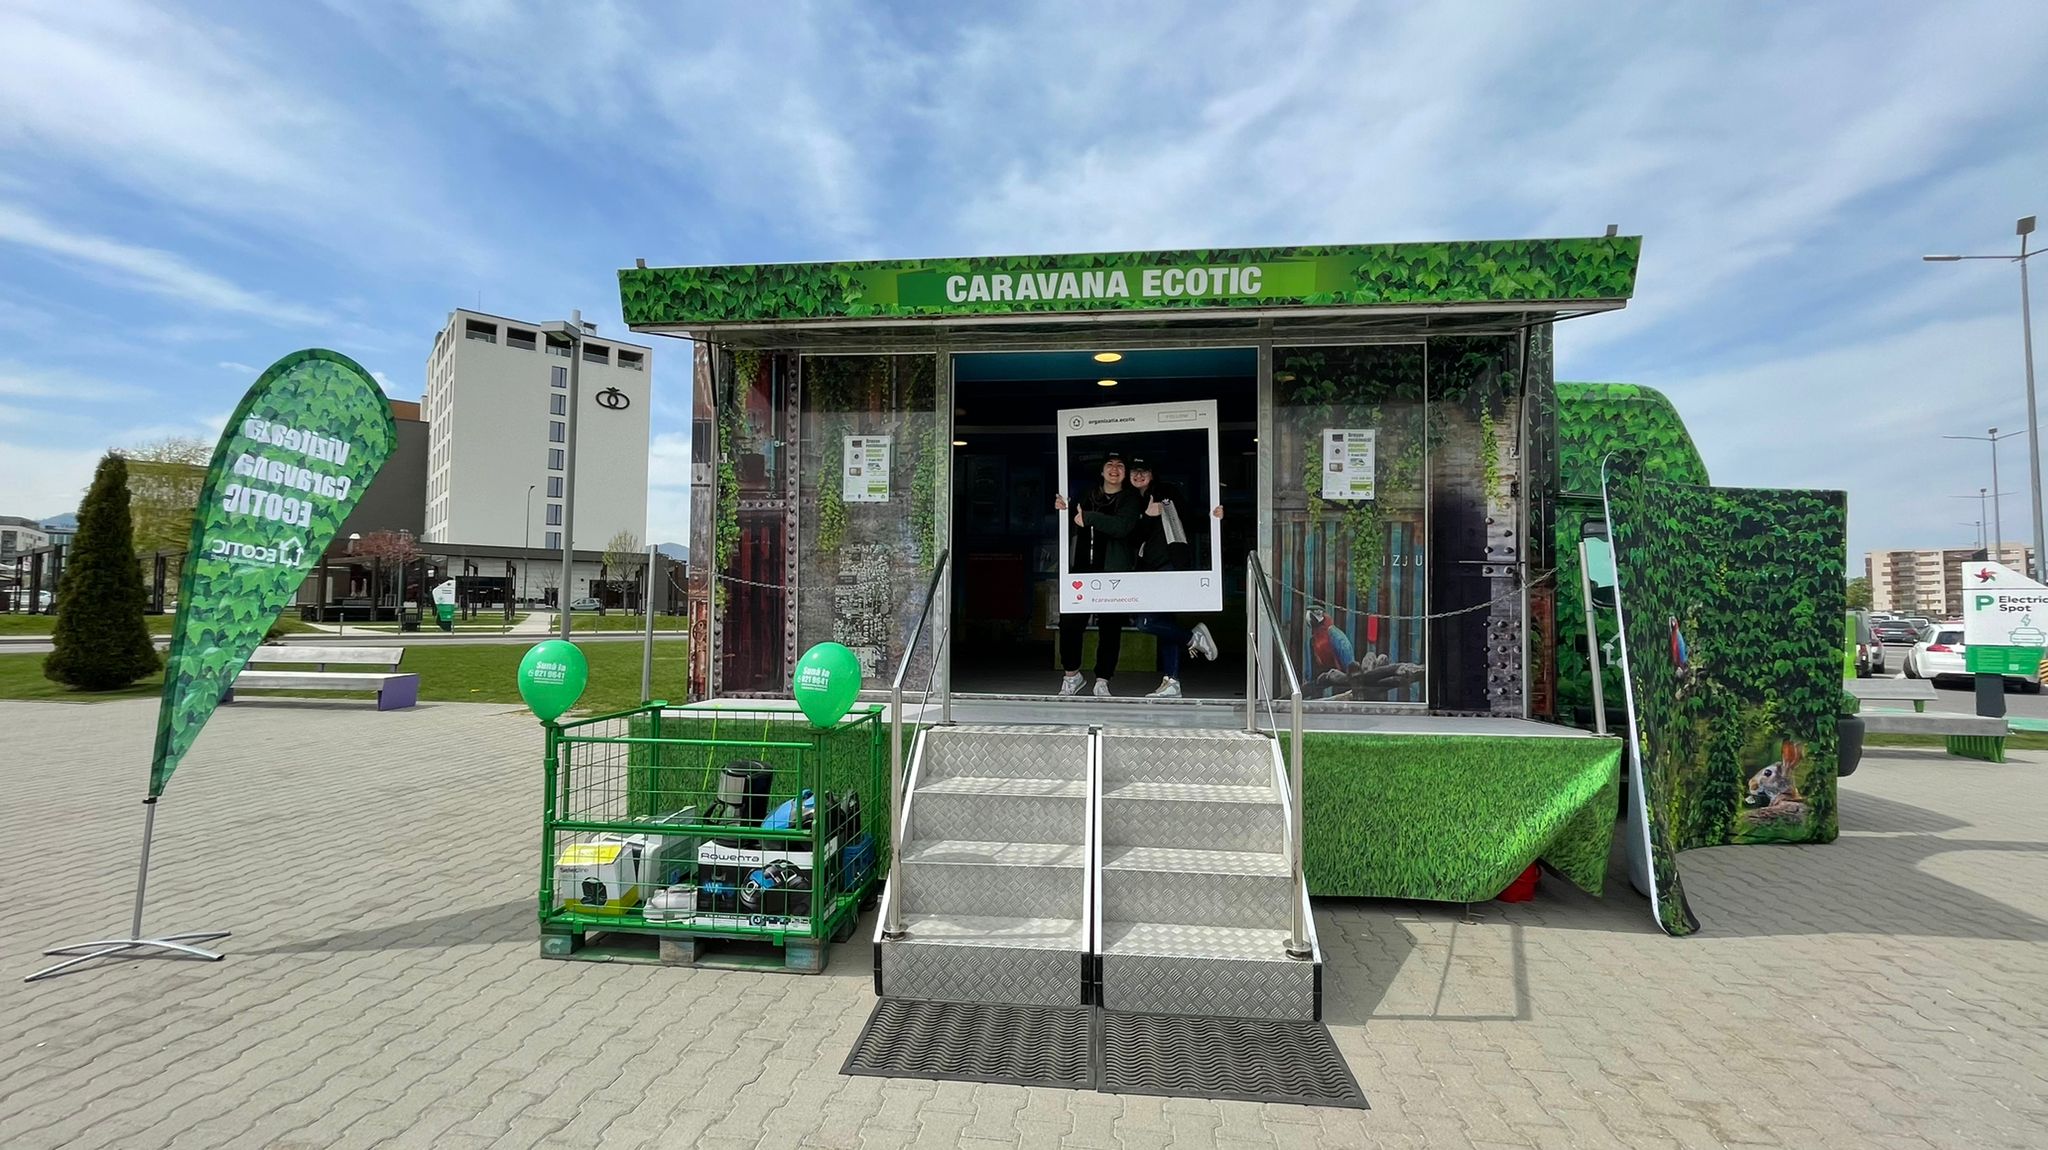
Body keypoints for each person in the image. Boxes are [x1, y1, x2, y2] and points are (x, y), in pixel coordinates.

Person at [1126, 456, 1222, 698]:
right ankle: (1172, 681)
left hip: (1169, 566)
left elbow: (1187, 518)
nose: (1139, 475)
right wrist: (1148, 516)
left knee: (1146, 623)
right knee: (1164, 624)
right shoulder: (1131, 500)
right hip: (1146, 572)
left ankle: (1192, 638)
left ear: (1152, 473)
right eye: (1134, 471)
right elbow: (1132, 537)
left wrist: (1214, 517)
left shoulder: (1166, 491)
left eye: (1143, 471)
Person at [1054, 451, 1143, 696]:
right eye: (1109, 464)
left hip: (1113, 573)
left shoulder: (1130, 498)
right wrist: (1062, 508)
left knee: (1110, 628)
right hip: (1081, 570)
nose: (1114, 469)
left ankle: (1103, 680)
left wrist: (1089, 517)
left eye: (1120, 465)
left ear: (1125, 472)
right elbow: (1071, 521)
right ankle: (1072, 675)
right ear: (1102, 471)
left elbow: (1122, 527)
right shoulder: (1087, 495)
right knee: (1069, 623)